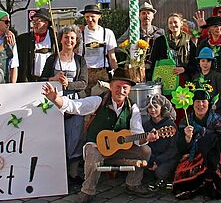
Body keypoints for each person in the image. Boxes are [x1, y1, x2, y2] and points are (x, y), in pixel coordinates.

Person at [42, 69, 157, 202]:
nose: (121, 91)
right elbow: (75, 106)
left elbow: (137, 134)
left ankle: (133, 184)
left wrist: (146, 138)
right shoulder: (98, 101)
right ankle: (87, 191)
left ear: (129, 90)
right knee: (92, 152)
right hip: (97, 146)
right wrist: (55, 98)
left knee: (145, 150)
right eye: (117, 87)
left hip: (119, 149)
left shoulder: (132, 108)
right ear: (111, 86)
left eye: (125, 88)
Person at [173, 89, 221, 200]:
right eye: (197, 101)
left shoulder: (216, 120)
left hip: (214, 155)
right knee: (182, 174)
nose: (200, 105)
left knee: (213, 155)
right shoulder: (186, 120)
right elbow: (181, 148)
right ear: (192, 104)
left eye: (204, 101)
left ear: (209, 103)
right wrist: (187, 138)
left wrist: (208, 140)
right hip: (194, 155)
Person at [40, 25, 88, 183]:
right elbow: (40, 80)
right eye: (66, 37)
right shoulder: (52, 59)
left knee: (75, 137)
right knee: (55, 137)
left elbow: (83, 83)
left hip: (74, 103)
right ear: (60, 39)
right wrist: (52, 79)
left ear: (76, 42)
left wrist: (68, 84)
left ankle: (73, 173)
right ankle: (55, 172)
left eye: (72, 38)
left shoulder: (80, 60)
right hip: (54, 103)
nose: (69, 40)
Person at [79, 4, 118, 94]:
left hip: (102, 72)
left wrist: (117, 74)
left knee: (103, 100)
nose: (90, 19)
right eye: (87, 17)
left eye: (92, 16)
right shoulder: (80, 33)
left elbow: (112, 57)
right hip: (85, 73)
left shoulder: (107, 33)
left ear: (99, 16)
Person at [143, 94, 178, 191]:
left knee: (160, 172)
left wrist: (157, 161)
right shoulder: (147, 125)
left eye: (155, 107)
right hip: (152, 156)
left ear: (162, 108)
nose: (152, 110)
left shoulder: (170, 125)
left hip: (167, 158)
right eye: (150, 107)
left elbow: (173, 149)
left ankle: (165, 179)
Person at [150, 12, 198, 83]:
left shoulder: (189, 41)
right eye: (170, 23)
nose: (173, 25)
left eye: (175, 22)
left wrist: (184, 69)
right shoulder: (160, 41)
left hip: (184, 79)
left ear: (181, 23)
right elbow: (154, 61)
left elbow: (195, 63)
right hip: (166, 79)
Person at [17, 8, 58, 82]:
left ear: (46, 23)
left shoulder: (56, 39)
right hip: (30, 80)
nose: (34, 24)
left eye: (37, 21)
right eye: (33, 21)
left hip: (50, 79)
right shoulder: (23, 39)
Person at [193, 47, 221, 124]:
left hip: (216, 113)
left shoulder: (218, 77)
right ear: (199, 62)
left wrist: (214, 107)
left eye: (208, 61)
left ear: (212, 62)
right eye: (203, 61)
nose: (205, 64)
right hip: (200, 113)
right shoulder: (195, 77)